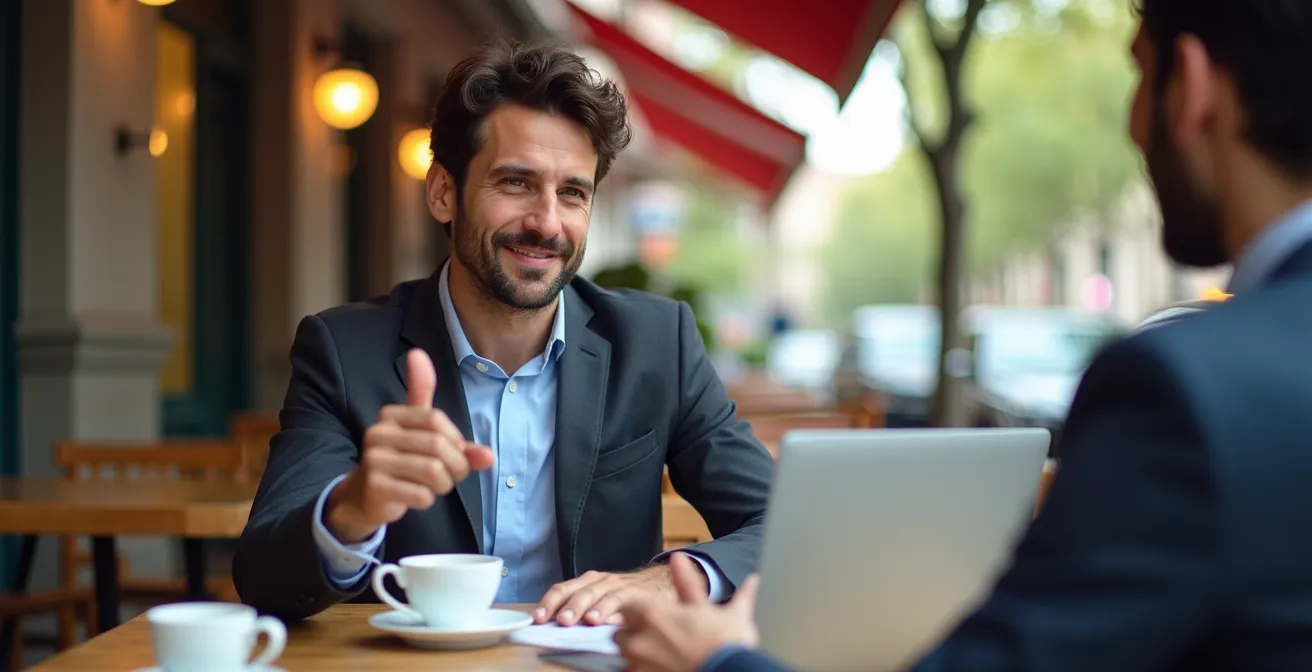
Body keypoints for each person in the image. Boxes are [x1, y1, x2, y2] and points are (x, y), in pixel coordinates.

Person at [615, 0, 1312, 669]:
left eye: (1138, 73)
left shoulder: (1181, 389)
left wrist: (719, 662)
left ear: (1188, 85)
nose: (1131, 124)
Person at [232, 40, 775, 626]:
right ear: (444, 193)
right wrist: (352, 509)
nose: (547, 222)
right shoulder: (344, 352)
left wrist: (676, 578)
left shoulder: (656, 343)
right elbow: (263, 578)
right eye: (516, 183)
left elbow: (786, 524)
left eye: (572, 192)